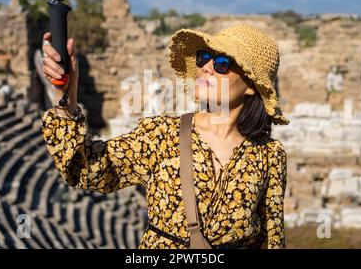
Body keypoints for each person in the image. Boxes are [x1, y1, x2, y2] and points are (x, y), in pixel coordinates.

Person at [40, 23, 290, 249]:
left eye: (222, 63)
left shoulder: (269, 155)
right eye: (204, 57)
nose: (206, 68)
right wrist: (67, 95)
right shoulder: (162, 135)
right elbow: (86, 168)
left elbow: (272, 239)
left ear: (251, 86)